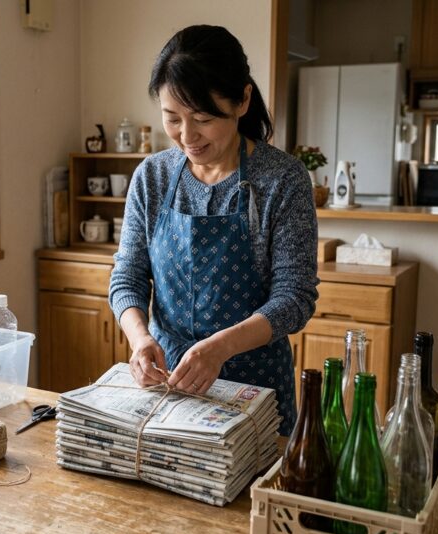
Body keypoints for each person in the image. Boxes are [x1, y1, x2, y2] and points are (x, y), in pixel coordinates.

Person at [108, 25, 318, 433]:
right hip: (167, 386)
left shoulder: (282, 180)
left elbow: (295, 297)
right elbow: (127, 276)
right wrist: (140, 339)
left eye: (202, 118)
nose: (187, 136)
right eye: (173, 118)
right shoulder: (152, 176)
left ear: (242, 100)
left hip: (255, 392)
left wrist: (220, 348)